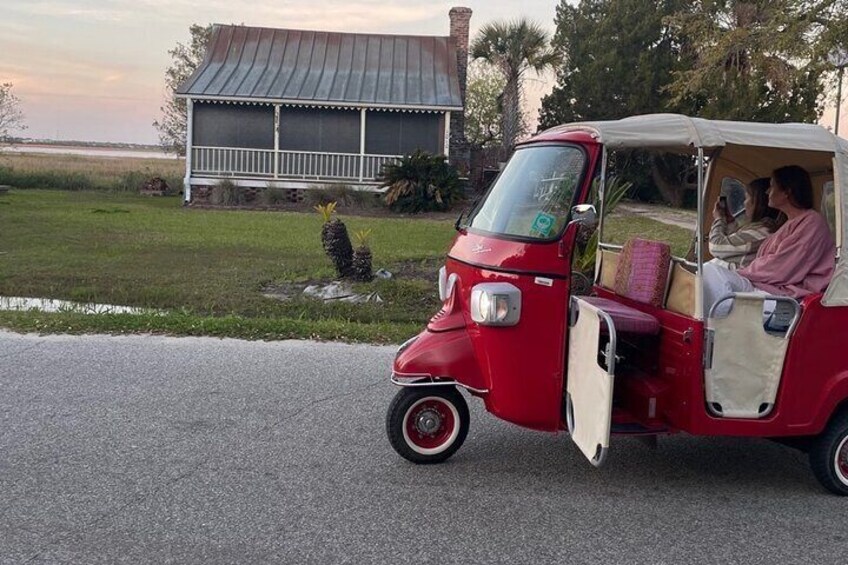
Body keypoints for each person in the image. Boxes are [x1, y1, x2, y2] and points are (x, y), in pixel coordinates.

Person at [703, 165, 836, 314]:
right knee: (709, 269)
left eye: (772, 187)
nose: (767, 191)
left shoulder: (812, 223)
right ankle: (720, 318)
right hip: (764, 286)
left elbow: (782, 268)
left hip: (784, 298)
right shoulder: (789, 222)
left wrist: (741, 272)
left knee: (714, 276)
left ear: (787, 192)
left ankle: (719, 322)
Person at [708, 178, 779, 269]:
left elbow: (716, 246)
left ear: (758, 203)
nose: (744, 203)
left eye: (747, 198)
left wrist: (719, 219)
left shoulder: (761, 233)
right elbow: (735, 244)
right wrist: (729, 222)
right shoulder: (760, 229)